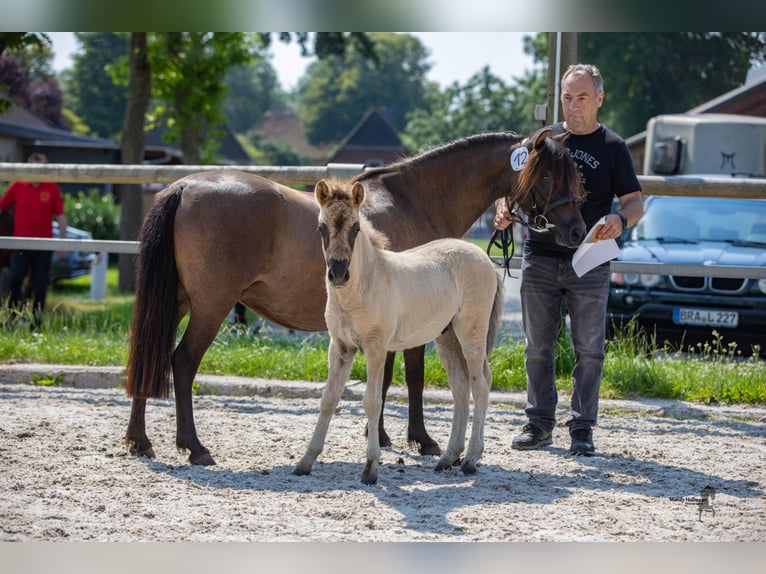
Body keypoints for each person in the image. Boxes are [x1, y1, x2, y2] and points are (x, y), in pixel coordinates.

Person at [494, 64, 644, 456]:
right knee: (537, 347)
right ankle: (539, 424)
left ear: (599, 98)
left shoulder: (613, 147)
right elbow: (509, 188)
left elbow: (633, 202)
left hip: (591, 259)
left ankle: (582, 428)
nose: (573, 106)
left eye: (581, 98)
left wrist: (619, 219)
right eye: (567, 97)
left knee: (589, 349)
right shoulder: (542, 142)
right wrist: (503, 209)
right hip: (540, 254)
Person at [0, 152, 68, 328]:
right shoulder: (17, 186)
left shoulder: (52, 188)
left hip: (44, 245)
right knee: (15, 280)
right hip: (20, 244)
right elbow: (2, 206)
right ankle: (13, 320)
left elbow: (61, 216)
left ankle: (36, 325)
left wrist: (63, 243)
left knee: (40, 285)